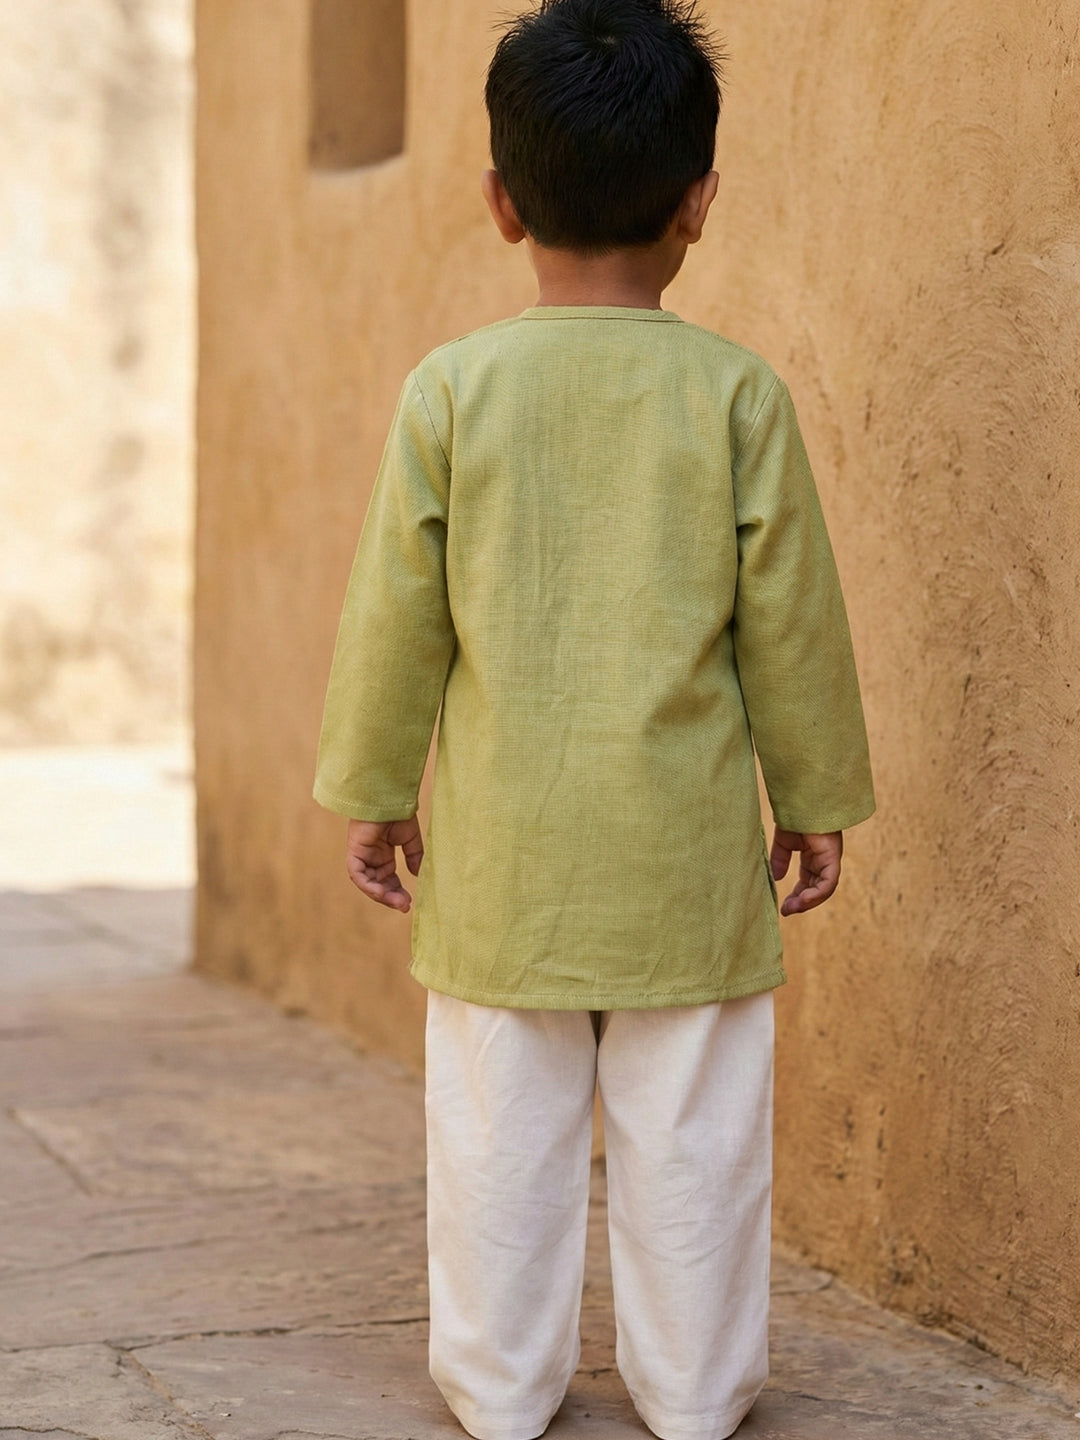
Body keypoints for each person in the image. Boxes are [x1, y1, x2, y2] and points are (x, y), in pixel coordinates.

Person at [314, 1, 875, 1436]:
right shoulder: (739, 396)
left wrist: (376, 788)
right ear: (700, 204)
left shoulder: (452, 391)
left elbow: (398, 617)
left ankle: (500, 1388)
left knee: (500, 1138)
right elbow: (792, 625)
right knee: (694, 1141)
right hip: (684, 859)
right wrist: (810, 800)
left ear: (502, 203)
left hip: (505, 862)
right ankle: (693, 1393)